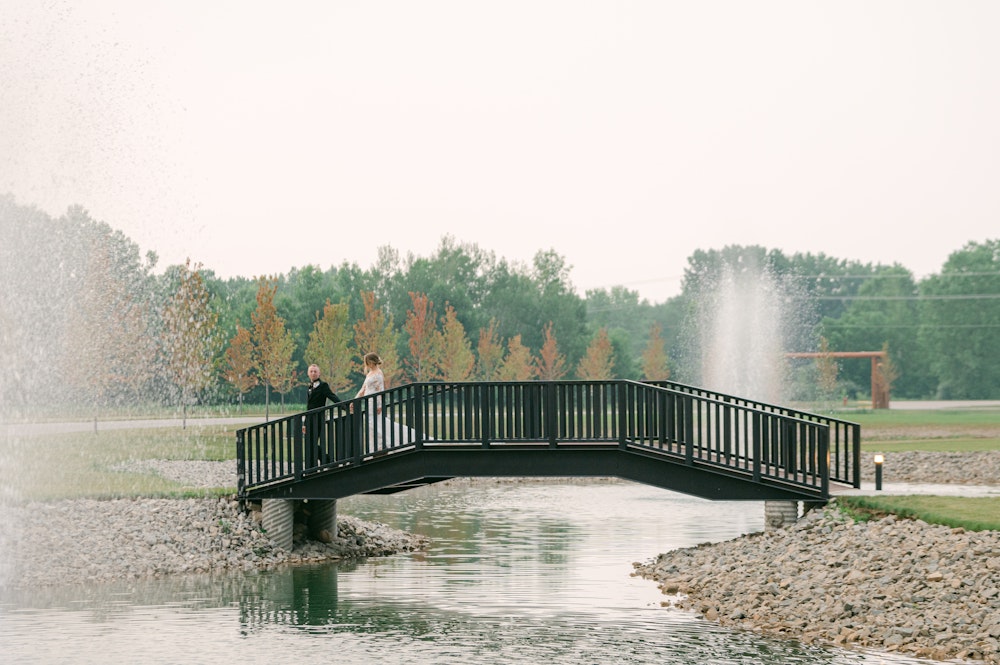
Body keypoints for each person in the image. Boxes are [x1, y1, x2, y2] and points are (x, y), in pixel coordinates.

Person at [305, 364, 341, 465]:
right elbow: (308, 406)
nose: (313, 373)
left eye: (315, 371)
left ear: (319, 373)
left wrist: (344, 407)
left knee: (313, 443)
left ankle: (328, 460)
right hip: (309, 418)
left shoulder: (323, 385)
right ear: (308, 373)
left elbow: (332, 396)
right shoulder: (309, 386)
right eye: (311, 371)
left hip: (318, 418)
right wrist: (305, 423)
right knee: (309, 443)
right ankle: (314, 464)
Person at [355, 352, 386, 454]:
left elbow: (380, 390)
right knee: (370, 424)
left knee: (375, 424)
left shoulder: (378, 374)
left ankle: (380, 446)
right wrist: (355, 399)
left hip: (374, 401)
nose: (367, 364)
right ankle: (373, 448)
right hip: (368, 401)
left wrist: (379, 405)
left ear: (372, 362)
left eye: (368, 362)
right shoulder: (370, 373)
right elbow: (363, 388)